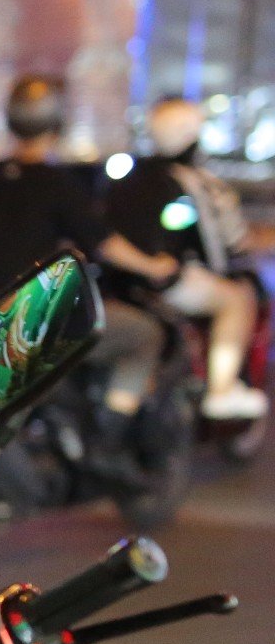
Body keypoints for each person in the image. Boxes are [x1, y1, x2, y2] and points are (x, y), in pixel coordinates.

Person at [0, 75, 182, 424]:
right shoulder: (58, 184)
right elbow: (104, 244)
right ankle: (114, 422)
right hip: (34, 324)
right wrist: (155, 266)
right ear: (58, 124)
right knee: (145, 333)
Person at [104, 94, 269, 421]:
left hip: (122, 282)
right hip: (166, 279)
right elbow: (222, 243)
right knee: (238, 300)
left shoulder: (129, 177)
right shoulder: (195, 182)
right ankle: (221, 390)